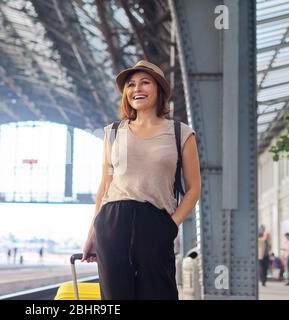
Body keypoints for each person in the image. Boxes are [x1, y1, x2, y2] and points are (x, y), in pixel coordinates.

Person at [81, 60, 201, 300]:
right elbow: (104, 187)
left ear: (159, 90)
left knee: (160, 293)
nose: (137, 89)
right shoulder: (113, 132)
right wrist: (92, 233)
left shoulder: (181, 133)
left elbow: (194, 189)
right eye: (131, 84)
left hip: (156, 221)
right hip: (113, 222)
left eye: (145, 82)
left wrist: (171, 224)